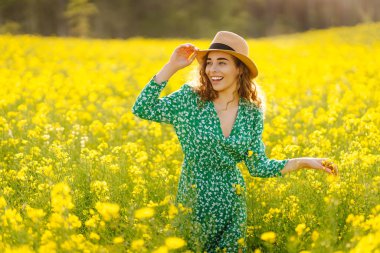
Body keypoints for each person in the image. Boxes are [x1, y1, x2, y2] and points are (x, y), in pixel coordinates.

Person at [132, 31, 338, 253]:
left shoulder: (252, 111)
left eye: (222, 63)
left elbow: (258, 166)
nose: (213, 70)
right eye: (209, 63)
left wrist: (304, 162)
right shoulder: (190, 99)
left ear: (239, 69)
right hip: (193, 202)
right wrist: (172, 66)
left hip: (233, 204)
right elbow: (143, 108)